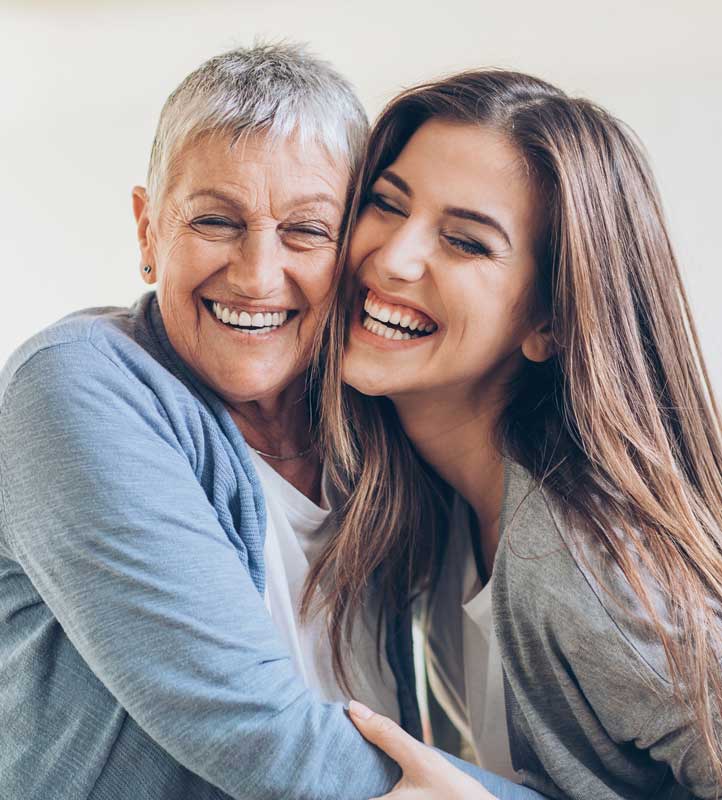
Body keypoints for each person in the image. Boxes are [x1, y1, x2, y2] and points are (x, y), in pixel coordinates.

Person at [0, 42, 541, 800]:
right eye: (216, 221)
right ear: (149, 231)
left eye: (307, 231)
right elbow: (262, 734)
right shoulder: (75, 382)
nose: (257, 275)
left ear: (352, 247)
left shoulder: (374, 427)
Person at [313, 69, 722, 799]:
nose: (394, 258)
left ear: (550, 321)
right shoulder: (428, 517)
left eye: (465, 242)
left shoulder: (591, 569)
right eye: (385, 204)